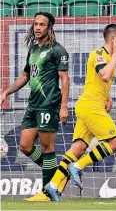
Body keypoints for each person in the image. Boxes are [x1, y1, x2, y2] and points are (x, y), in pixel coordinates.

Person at [44, 24, 116, 201]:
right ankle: (78, 166)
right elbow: (103, 75)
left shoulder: (110, 57)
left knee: (78, 147)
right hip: (90, 106)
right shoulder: (98, 54)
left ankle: (52, 185)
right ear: (113, 39)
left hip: (91, 104)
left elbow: (100, 82)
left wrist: (108, 96)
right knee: (115, 142)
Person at [0, 12, 70, 201]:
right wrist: (6, 92)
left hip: (49, 104)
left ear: (49, 28)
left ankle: (47, 192)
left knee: (47, 148)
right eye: (35, 24)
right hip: (33, 104)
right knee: (25, 145)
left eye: (42, 25)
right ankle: (58, 176)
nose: (37, 28)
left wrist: (64, 106)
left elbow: (64, 80)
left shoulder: (58, 50)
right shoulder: (33, 49)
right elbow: (25, 76)